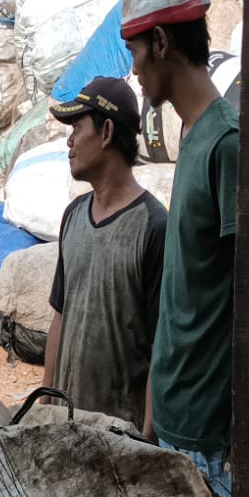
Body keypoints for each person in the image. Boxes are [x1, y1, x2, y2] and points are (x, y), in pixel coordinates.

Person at [121, 0, 239, 497]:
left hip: (207, 434)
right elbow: (181, 295)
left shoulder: (226, 144)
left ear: (162, 42)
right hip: (173, 417)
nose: (136, 71)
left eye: (136, 54)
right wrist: (152, 409)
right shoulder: (192, 137)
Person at [42, 77, 166, 434]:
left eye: (77, 128)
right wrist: (45, 407)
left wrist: (146, 437)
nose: (69, 142)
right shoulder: (74, 216)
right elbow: (60, 318)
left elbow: (160, 346)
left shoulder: (153, 227)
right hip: (65, 428)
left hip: (117, 437)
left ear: (107, 132)